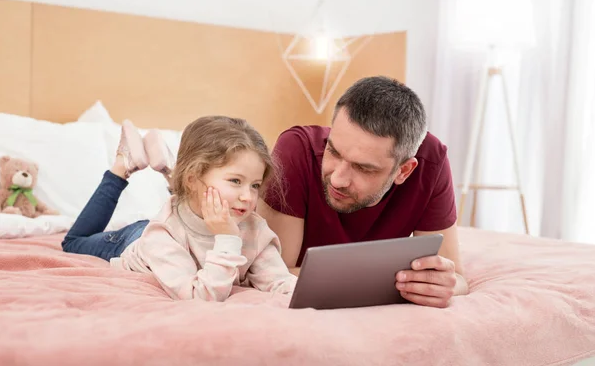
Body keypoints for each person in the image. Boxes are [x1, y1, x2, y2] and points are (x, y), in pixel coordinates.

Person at [258, 76, 469, 308]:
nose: (338, 179)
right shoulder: (295, 150)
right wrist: (394, 283)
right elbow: (274, 273)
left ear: (404, 171)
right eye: (333, 152)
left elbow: (455, 278)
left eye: (363, 168)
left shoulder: (431, 160)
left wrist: (444, 285)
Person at [62, 117, 296, 302]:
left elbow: (279, 281)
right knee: (73, 242)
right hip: (136, 238)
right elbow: (201, 297)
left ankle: (172, 173)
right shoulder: (161, 237)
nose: (247, 197)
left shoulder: (254, 228)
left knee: (189, 206)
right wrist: (227, 239)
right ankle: (124, 164)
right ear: (194, 178)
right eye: (235, 181)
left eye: (255, 185)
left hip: (184, 215)